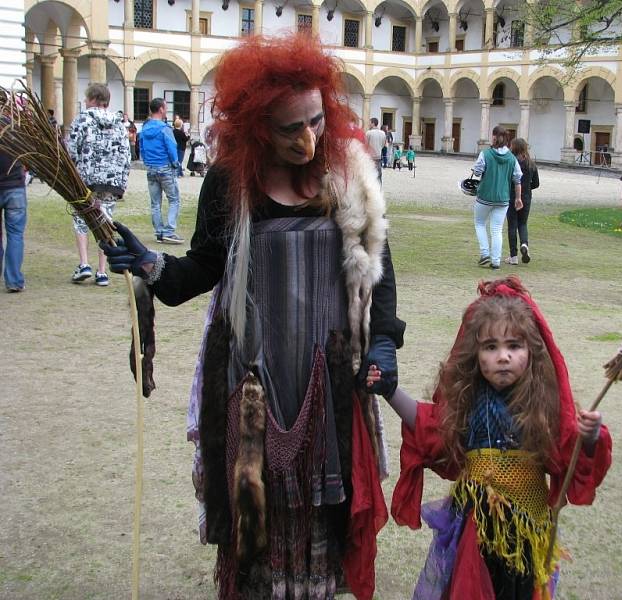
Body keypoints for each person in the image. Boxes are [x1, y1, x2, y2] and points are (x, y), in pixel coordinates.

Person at [101, 33, 405, 599]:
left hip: (329, 377)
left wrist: (384, 340)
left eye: (317, 119)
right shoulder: (229, 182)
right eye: (291, 127)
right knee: (254, 504)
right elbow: (203, 269)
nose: (309, 138)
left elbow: (377, 266)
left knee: (325, 504)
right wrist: (149, 264)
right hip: (252, 377)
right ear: (257, 126)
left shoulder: (351, 174)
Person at [382, 276, 612, 600]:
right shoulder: (465, 402)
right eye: (491, 347)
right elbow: (428, 424)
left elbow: (569, 457)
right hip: (476, 536)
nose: (502, 356)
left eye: (514, 346)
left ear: (531, 352)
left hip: (527, 534)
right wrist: (389, 390)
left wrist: (590, 438)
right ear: (475, 354)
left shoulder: (542, 407)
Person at [65, 83, 131, 287]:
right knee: (105, 221)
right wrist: (122, 181)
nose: (85, 102)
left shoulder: (82, 119)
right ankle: (102, 271)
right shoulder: (120, 123)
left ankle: (84, 263)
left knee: (80, 219)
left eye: (86, 98)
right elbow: (126, 154)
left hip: (86, 181)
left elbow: (71, 150)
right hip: (111, 183)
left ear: (93, 98)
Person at [472, 125, 522, 270]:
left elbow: (477, 171)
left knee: (480, 223)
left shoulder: (485, 154)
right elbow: (517, 179)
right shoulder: (512, 158)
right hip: (503, 198)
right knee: (497, 229)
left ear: (493, 137)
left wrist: (478, 170)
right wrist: (518, 198)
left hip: (485, 196)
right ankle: (495, 261)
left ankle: (484, 253)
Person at [140, 97, 183, 244]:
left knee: (155, 203)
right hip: (165, 167)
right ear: (161, 109)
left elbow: (142, 149)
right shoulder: (165, 129)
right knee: (174, 200)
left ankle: (159, 232)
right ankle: (169, 231)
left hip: (151, 168)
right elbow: (172, 148)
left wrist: (147, 162)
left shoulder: (144, 129)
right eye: (165, 107)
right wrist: (176, 164)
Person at [505, 138, 538, 265]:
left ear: (514, 148)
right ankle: (524, 245)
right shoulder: (531, 164)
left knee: (512, 225)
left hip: (512, 197)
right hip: (526, 198)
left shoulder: (511, 162)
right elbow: (536, 183)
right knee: (523, 224)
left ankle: (513, 256)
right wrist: (527, 189)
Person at [0, 149, 27, 292]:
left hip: (14, 186)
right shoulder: (15, 127)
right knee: (15, 235)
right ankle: (14, 281)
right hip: (15, 186)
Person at [365, 117, 386, 184]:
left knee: (369, 174)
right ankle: (378, 190)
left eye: (370, 123)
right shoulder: (383, 133)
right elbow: (383, 144)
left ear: (373, 123)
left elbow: (365, 144)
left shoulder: (369, 133)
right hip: (379, 156)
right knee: (378, 175)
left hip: (370, 157)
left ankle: (370, 191)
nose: (369, 124)